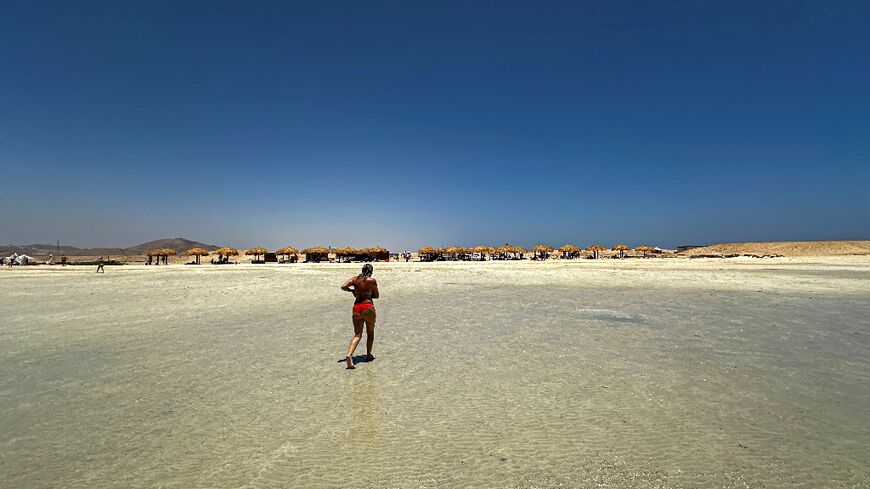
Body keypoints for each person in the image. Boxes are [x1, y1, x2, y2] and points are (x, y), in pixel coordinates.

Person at [340, 263, 379, 369]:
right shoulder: (372, 281)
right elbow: (377, 295)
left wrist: (353, 290)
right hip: (367, 306)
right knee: (370, 333)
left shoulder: (355, 279)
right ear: (371, 271)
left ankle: (349, 355)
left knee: (357, 334)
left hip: (356, 307)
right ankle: (368, 354)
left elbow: (343, 286)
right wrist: (368, 293)